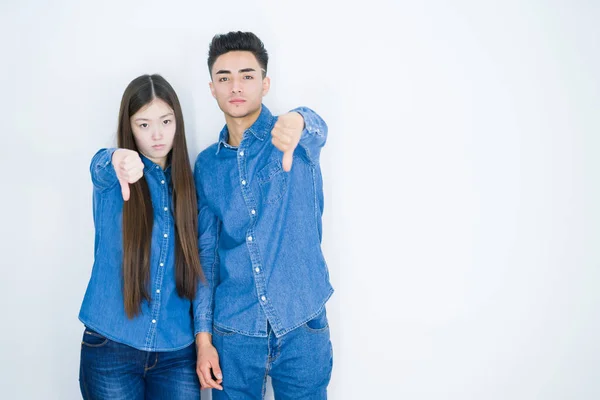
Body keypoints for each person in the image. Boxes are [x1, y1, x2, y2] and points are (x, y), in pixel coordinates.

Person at [193, 31, 334, 399]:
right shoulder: (207, 166)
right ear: (212, 88)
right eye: (224, 77)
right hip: (234, 333)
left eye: (247, 75)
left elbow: (317, 128)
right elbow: (206, 258)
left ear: (265, 83)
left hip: (301, 322)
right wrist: (203, 340)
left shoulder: (293, 138)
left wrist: (300, 121)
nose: (235, 86)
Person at [78, 74, 203, 399]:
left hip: (177, 351)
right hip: (112, 345)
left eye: (165, 121)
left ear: (178, 121)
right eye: (143, 124)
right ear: (129, 126)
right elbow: (100, 166)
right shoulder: (115, 178)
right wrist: (116, 159)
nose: (157, 134)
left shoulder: (190, 187)